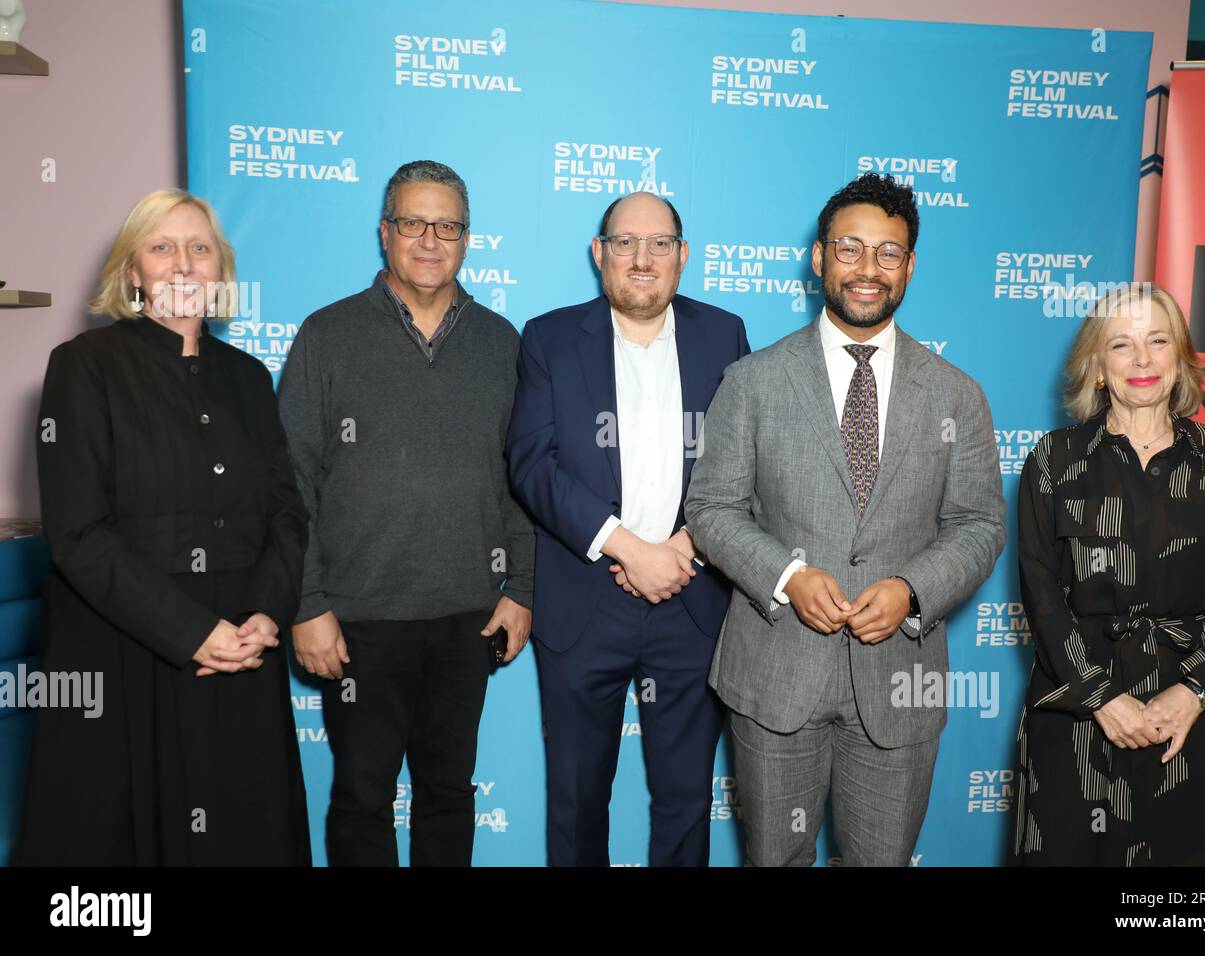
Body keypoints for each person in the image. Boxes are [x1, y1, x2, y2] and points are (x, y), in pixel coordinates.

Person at [684, 172, 1006, 866]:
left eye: (888, 253)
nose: (868, 269)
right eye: (851, 249)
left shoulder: (957, 394)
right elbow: (710, 508)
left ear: (910, 265)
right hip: (775, 677)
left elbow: (979, 525)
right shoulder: (754, 381)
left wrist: (912, 591)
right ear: (820, 256)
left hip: (900, 682)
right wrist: (788, 576)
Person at [15, 189, 311, 865]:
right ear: (133, 274)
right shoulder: (82, 367)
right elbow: (78, 534)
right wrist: (192, 634)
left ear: (220, 273)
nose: (183, 264)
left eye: (199, 248)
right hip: (128, 655)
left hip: (241, 649)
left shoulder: (249, 377)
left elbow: (286, 512)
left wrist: (266, 613)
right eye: (163, 247)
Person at [279, 160, 534, 867]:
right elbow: (290, 485)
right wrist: (306, 605)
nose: (430, 240)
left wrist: (521, 591)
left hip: (467, 620)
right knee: (362, 796)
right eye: (414, 223)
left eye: (447, 225)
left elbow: (523, 483)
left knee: (448, 794)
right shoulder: (326, 336)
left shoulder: (502, 344)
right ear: (385, 233)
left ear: (467, 238)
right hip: (358, 620)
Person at [506, 192, 749, 866]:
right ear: (599, 253)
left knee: (685, 807)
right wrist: (628, 548)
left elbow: (744, 462)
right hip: (584, 604)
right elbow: (533, 464)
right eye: (625, 243)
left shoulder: (724, 334)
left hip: (692, 600)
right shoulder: (549, 337)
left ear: (683, 256)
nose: (642, 259)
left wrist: (684, 546)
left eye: (660, 244)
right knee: (577, 802)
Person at [1011, 284, 1205, 866]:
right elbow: (1042, 595)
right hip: (1077, 710)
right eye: (1122, 345)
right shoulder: (1053, 460)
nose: (1143, 360)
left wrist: (1195, 693)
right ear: (1098, 368)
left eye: (1158, 341)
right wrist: (1104, 698)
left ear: (1180, 356)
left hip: (1193, 710)